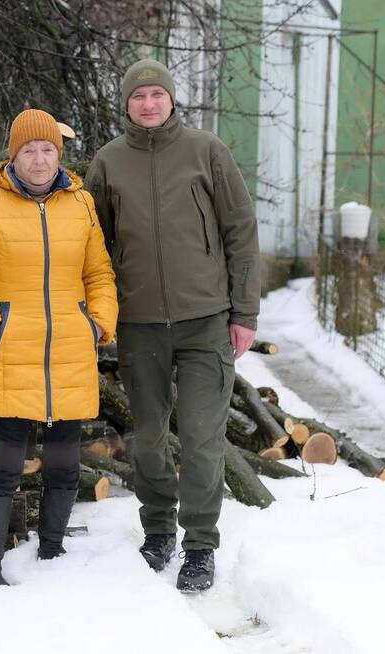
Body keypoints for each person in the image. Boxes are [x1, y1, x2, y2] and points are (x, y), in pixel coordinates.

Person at [86, 59, 260, 593]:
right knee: (148, 438)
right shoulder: (109, 163)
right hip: (140, 324)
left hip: (206, 321)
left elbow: (240, 229)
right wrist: (101, 312)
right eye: (139, 96)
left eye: (157, 94)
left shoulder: (207, 151)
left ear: (171, 99)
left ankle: (200, 545)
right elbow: (94, 245)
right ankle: (158, 528)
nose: (148, 104)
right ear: (127, 103)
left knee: (204, 439)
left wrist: (244, 312)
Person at [0, 108, 118, 586]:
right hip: (11, 351)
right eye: (28, 151)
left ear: (57, 155)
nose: (38, 161)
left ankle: (53, 558)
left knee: (64, 466)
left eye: (46, 150)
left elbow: (98, 273)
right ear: (12, 156)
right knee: (5, 467)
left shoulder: (80, 205)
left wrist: (97, 323)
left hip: (69, 352)